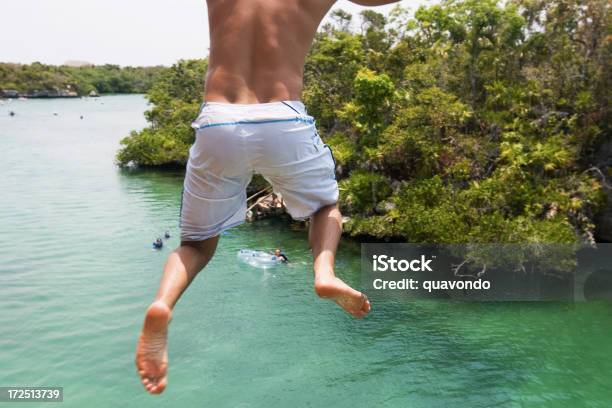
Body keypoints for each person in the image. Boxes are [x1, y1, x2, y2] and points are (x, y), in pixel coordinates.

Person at [136, 0, 396, 395]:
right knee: (325, 207)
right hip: (283, 119)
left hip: (218, 119)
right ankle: (323, 273)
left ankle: (164, 304)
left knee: (195, 244)